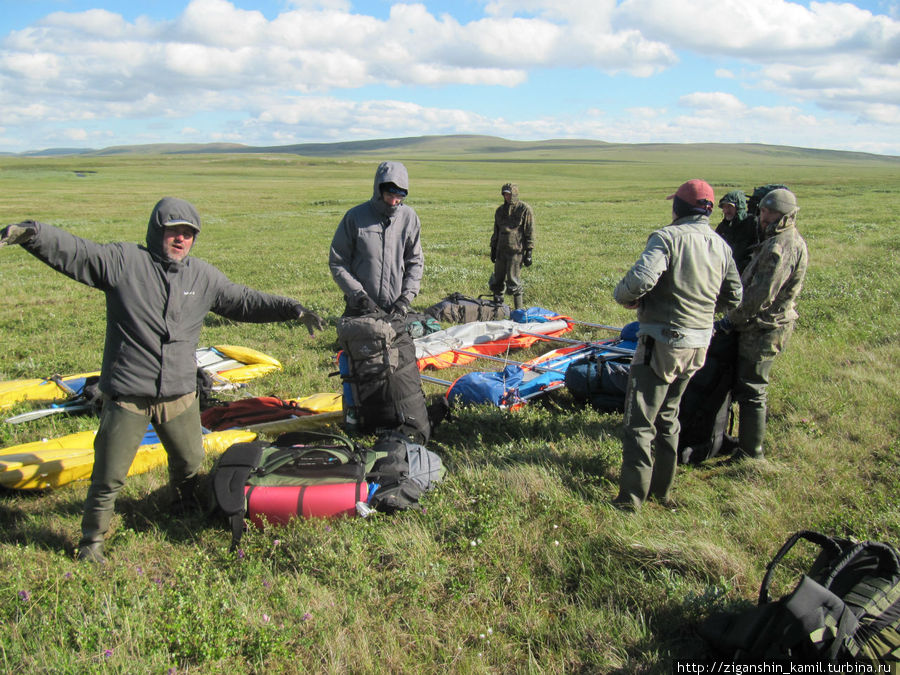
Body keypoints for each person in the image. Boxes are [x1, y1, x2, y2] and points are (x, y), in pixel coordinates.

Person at [0, 197, 325, 563]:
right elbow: (77, 254)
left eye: (188, 234)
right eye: (174, 231)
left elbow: (244, 301)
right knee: (109, 477)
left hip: (180, 394)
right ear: (157, 231)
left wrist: (291, 309)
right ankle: (92, 543)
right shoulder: (125, 263)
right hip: (128, 395)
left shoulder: (202, 277)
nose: (181, 240)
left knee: (189, 462)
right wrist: (33, 234)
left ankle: (182, 509)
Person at [612, 180, 742, 511]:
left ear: (680, 208)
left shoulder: (667, 238)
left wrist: (626, 298)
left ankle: (630, 501)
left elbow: (640, 280)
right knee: (669, 417)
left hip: (663, 343)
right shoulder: (721, 245)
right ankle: (662, 492)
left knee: (640, 422)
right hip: (699, 345)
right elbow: (735, 296)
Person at [716, 188, 808, 461]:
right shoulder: (774, 239)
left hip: (764, 328)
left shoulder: (782, 246)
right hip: (756, 326)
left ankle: (750, 454)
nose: (764, 217)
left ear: (786, 216)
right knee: (746, 386)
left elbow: (759, 296)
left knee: (753, 389)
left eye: (771, 213)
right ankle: (739, 441)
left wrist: (730, 320)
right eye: (764, 211)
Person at [329, 161, 424, 318]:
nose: (394, 202)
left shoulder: (409, 218)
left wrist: (405, 299)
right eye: (389, 195)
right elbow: (338, 262)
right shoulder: (355, 217)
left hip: (395, 308)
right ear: (379, 190)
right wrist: (359, 296)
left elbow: (415, 261)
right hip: (360, 307)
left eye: (399, 196)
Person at [489, 183, 534, 310]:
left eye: (509, 194)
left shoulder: (524, 209)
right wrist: (493, 248)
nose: (506, 196)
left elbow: (529, 231)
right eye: (504, 194)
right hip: (500, 250)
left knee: (513, 281)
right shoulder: (499, 211)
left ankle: (518, 311)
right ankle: (497, 310)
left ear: (514, 194)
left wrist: (529, 252)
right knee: (497, 281)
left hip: (515, 252)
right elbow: (496, 231)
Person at [715, 190, 758, 274]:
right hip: (726, 272)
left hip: (747, 272)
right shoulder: (722, 228)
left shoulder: (752, 223)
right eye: (724, 207)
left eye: (729, 207)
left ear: (739, 207)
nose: (726, 210)